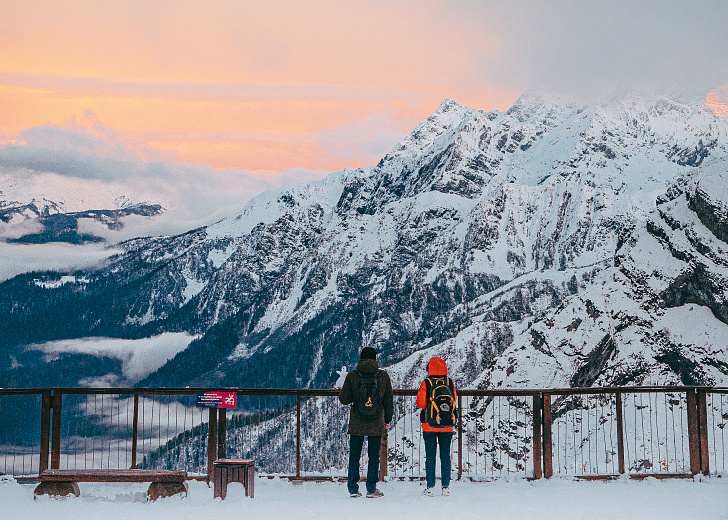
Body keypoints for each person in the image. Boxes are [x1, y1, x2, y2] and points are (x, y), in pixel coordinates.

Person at [338, 346, 393, 498]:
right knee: (374, 456)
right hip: (376, 422)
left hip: (357, 421)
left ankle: (353, 489)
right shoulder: (382, 376)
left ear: (361, 358)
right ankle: (371, 488)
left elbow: (344, 399)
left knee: (355, 455)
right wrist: (387, 420)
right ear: (375, 358)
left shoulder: (352, 376)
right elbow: (388, 401)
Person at [416, 356, 457, 497]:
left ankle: (430, 487)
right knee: (445, 456)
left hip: (430, 425)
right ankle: (446, 487)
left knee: (431, 457)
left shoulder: (426, 383)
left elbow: (421, 403)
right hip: (446, 425)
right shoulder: (449, 382)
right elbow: (454, 400)